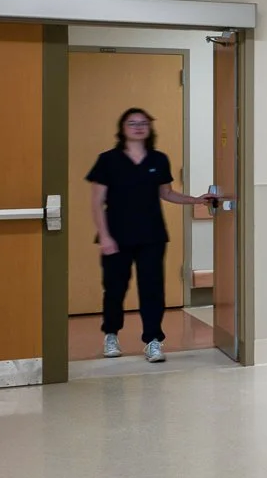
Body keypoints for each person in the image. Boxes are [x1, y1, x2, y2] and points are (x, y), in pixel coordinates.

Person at [87, 108, 214, 363]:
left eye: (143, 123)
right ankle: (111, 334)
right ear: (123, 128)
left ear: (149, 128)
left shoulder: (158, 159)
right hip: (117, 236)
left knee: (152, 289)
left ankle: (153, 341)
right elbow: (97, 201)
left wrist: (195, 200)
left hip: (152, 235)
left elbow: (166, 193)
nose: (138, 127)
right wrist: (106, 236)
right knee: (114, 289)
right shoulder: (108, 160)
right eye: (132, 123)